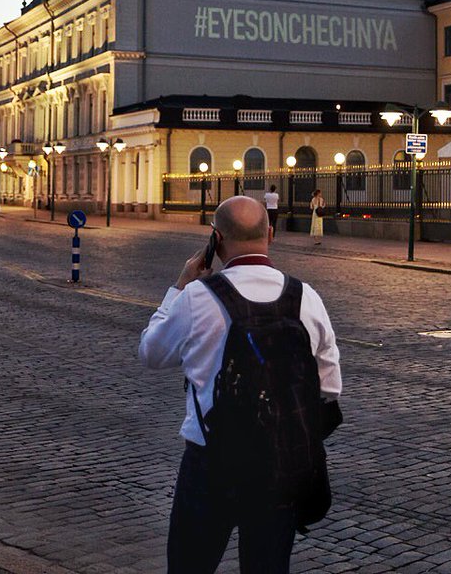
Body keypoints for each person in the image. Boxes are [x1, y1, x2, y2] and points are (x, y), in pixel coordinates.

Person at [139, 195, 342, 573]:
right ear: (270, 233)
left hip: (210, 462)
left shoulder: (198, 297)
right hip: (279, 466)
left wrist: (180, 286)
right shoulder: (306, 298)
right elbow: (330, 389)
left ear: (215, 240)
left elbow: (151, 352)